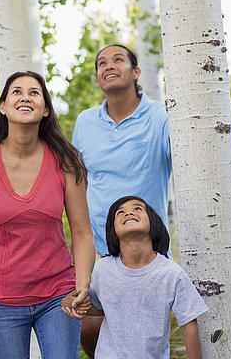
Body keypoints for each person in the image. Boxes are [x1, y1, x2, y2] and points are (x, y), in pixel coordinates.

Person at [0, 70, 96, 358]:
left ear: (45, 109)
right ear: (3, 107)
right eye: (16, 92)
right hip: (0, 302)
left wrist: (81, 286)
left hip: (58, 296)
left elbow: (82, 233)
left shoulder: (66, 162)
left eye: (35, 92)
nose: (25, 97)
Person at [72, 44, 172, 356]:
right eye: (101, 63)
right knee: (87, 327)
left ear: (136, 72)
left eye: (118, 60)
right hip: (99, 249)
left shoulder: (160, 116)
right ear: (98, 79)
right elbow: (78, 180)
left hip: (145, 248)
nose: (108, 65)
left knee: (141, 338)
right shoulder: (86, 122)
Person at [61, 196, 208, 359]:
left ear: (154, 223)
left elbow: (189, 325)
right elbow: (97, 306)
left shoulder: (171, 273)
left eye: (137, 208)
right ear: (113, 230)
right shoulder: (103, 269)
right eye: (120, 212)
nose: (128, 212)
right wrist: (73, 303)